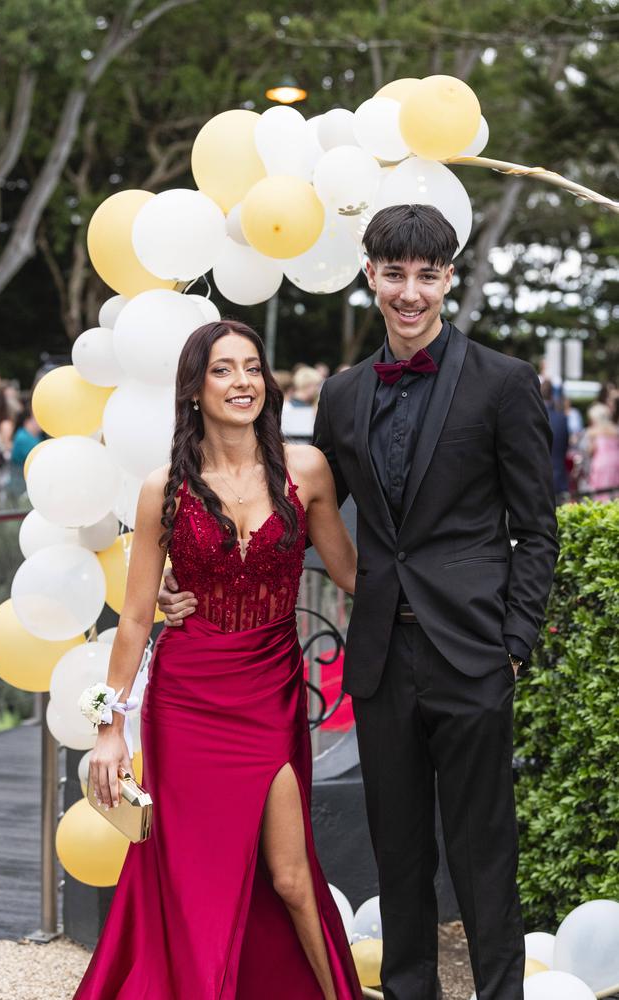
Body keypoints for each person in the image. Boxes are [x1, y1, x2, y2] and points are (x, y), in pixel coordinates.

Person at [159, 205, 559, 1000]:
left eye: (428, 274)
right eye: (395, 273)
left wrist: (513, 644)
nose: (410, 292)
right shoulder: (340, 397)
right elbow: (287, 509)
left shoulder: (504, 382)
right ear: (369, 273)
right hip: (377, 658)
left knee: (485, 852)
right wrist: (191, 576)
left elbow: (536, 530)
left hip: (473, 653)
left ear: (449, 277)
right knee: (398, 852)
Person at [74, 321, 362, 1000]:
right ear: (195, 390)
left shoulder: (307, 469)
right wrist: (110, 730)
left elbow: (354, 576)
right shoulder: (163, 488)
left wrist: (450, 587)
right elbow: (136, 616)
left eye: (253, 368)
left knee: (291, 877)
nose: (242, 383)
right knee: (193, 882)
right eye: (223, 370)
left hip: (270, 693)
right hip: (186, 701)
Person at [540, 380, 570, 499]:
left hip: (539, 478)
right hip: (559, 475)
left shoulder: (533, 417)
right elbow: (565, 446)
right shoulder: (562, 418)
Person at [585, 401, 619, 501]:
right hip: (616, 462)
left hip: (601, 464)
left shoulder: (592, 431)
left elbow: (591, 450)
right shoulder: (615, 430)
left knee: (601, 494)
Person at [281, 365, 324, 442]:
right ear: (309, 385)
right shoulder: (288, 407)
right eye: (316, 385)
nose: (317, 389)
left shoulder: (286, 405)